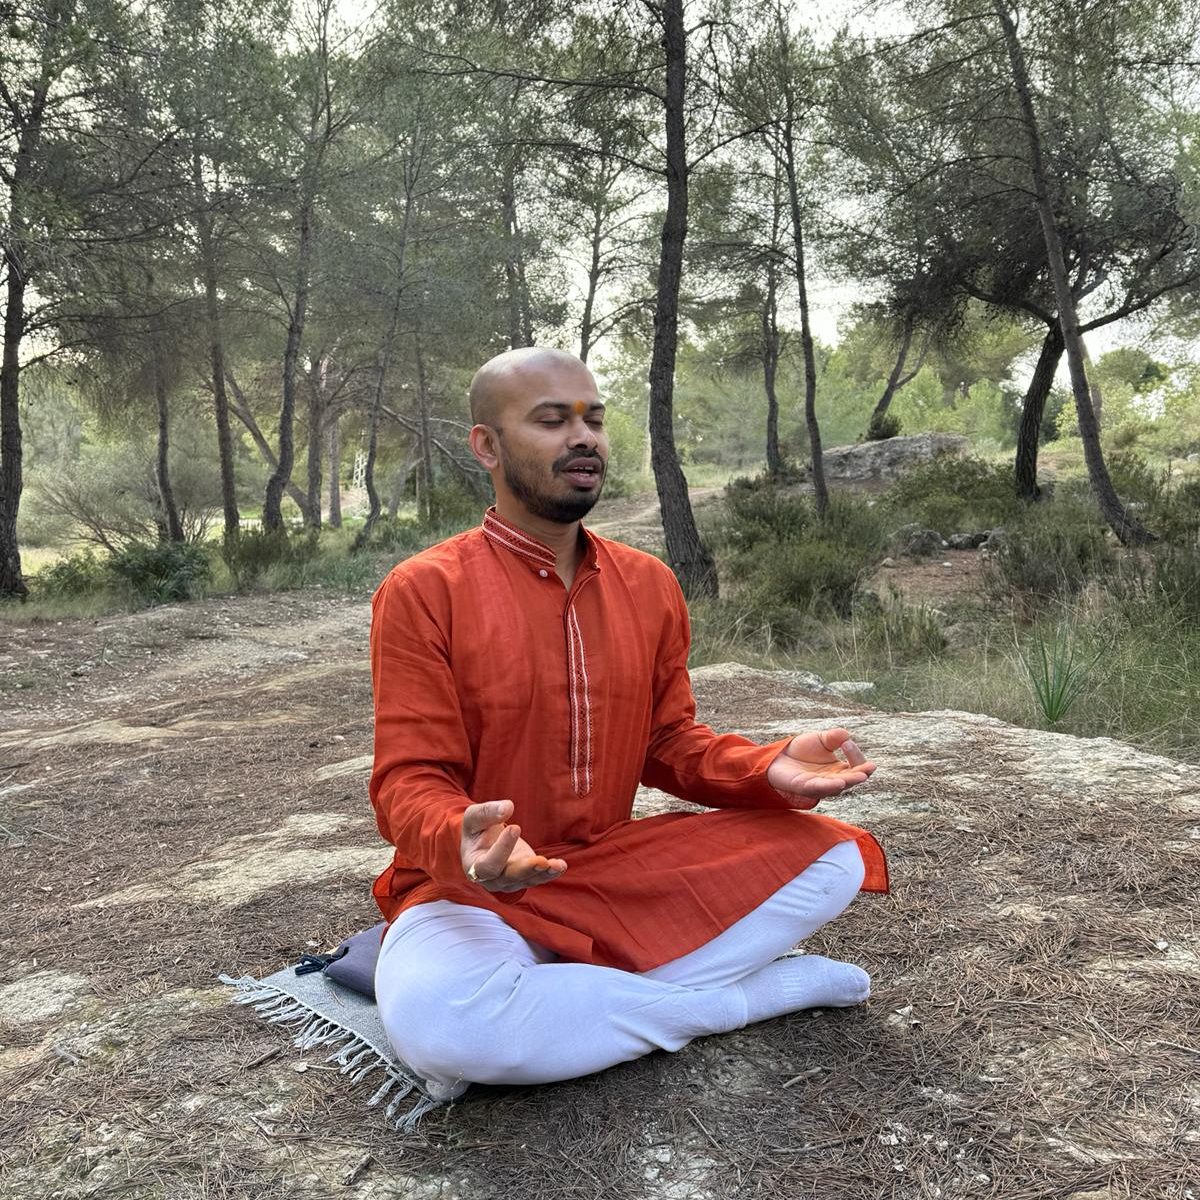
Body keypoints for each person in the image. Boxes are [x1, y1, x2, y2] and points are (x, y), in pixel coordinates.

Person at [369, 347, 888, 1101]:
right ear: (487, 446)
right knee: (448, 1027)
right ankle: (742, 1000)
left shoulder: (649, 584)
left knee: (833, 858)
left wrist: (767, 767)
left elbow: (668, 742)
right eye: (552, 421)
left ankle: (571, 1005)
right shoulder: (424, 591)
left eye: (594, 420)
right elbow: (408, 779)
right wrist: (462, 838)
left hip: (608, 870)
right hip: (472, 892)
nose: (584, 438)